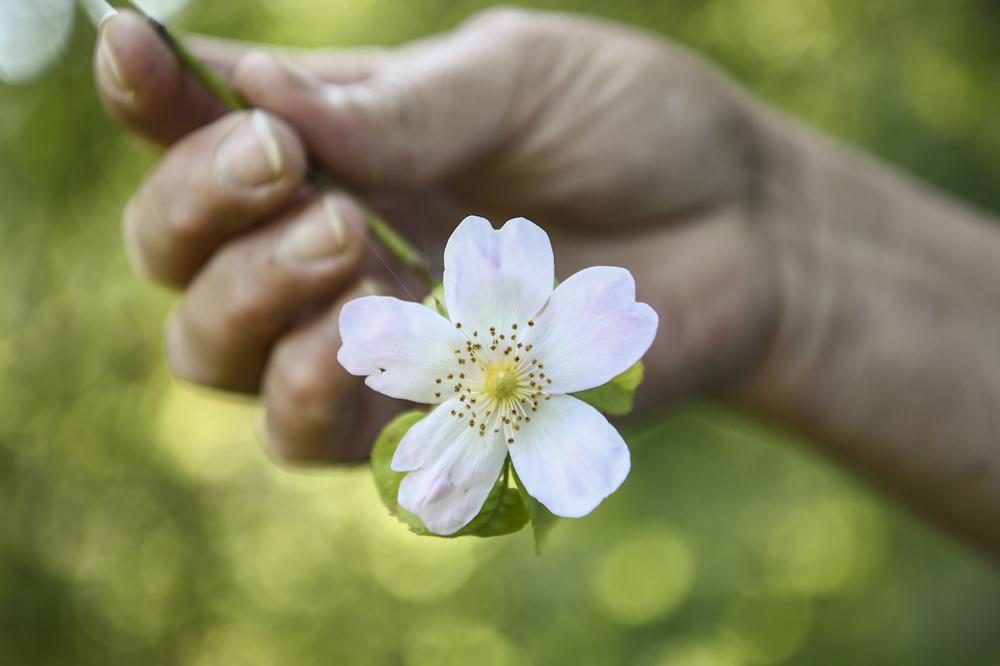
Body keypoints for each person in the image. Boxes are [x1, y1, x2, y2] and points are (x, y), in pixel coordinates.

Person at [93, 7, 1000, 557]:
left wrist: (779, 244)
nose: (495, 378)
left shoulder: (541, 369)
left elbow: (532, 322)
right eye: (494, 374)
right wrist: (780, 263)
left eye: (498, 372)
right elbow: (444, 431)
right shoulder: (470, 380)